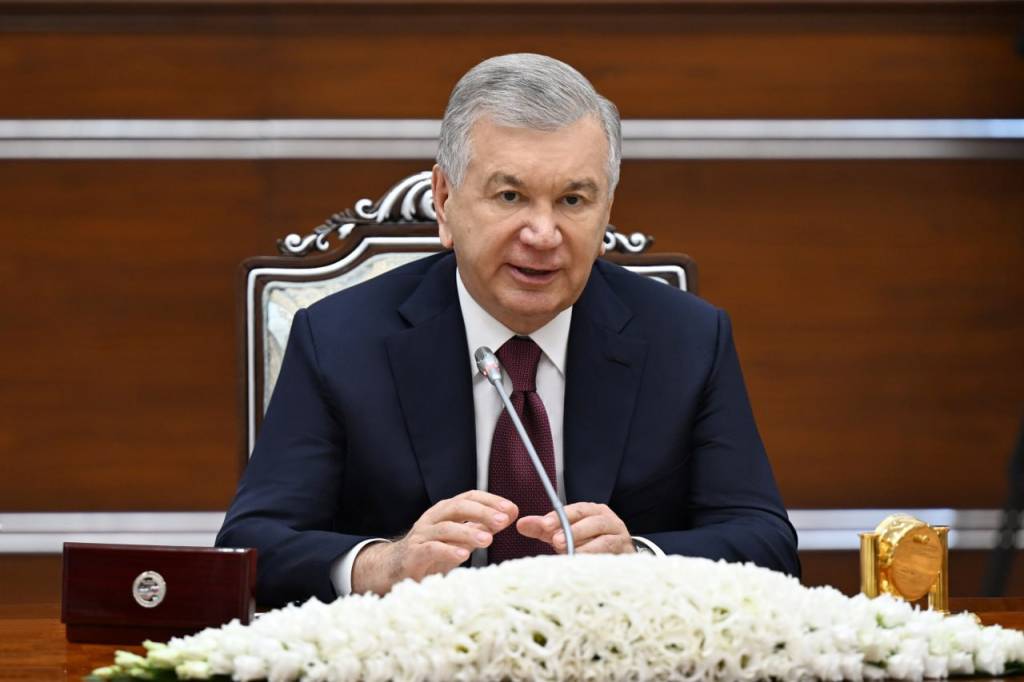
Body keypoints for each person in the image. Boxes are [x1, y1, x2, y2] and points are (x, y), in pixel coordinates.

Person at [217, 53, 799, 607]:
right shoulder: (340, 339)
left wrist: (641, 562)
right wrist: (384, 565)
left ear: (606, 210)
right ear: (445, 200)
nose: (543, 234)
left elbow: (767, 545)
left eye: (573, 199)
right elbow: (252, 545)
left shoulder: (687, 339)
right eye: (511, 195)